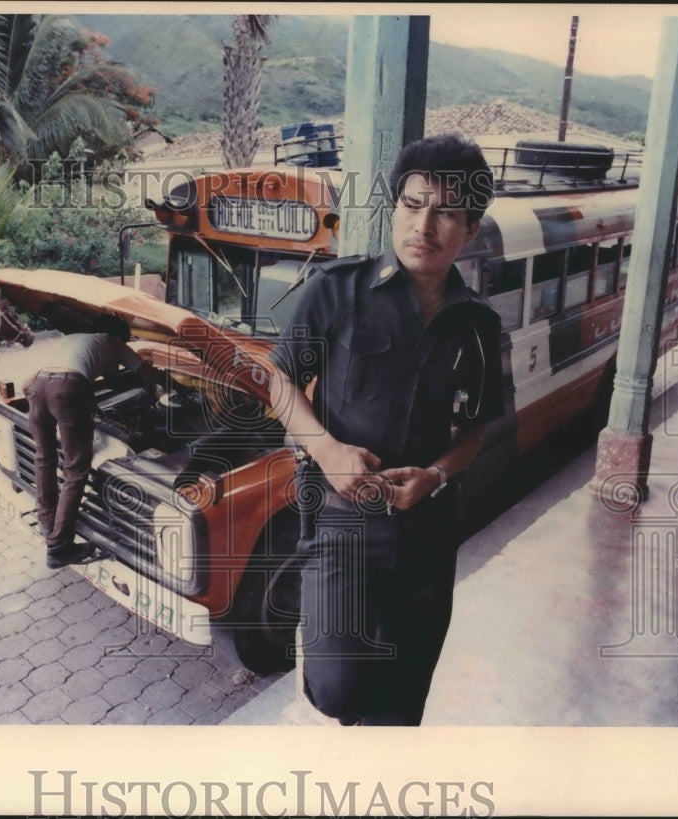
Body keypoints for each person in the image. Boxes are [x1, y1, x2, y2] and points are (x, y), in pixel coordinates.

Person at [268, 133, 505, 726]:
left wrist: (436, 475)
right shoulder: (337, 291)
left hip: (427, 529)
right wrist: (326, 450)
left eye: (447, 212)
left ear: (470, 230)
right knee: (338, 688)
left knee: (403, 698)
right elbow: (278, 383)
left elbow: (475, 428)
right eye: (413, 204)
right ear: (395, 207)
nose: (424, 226)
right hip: (344, 522)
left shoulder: (478, 325)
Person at [24, 313, 160, 569]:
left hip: (36, 387)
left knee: (44, 458)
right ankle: (59, 547)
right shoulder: (115, 342)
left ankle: (47, 523)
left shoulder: (75, 339)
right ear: (122, 335)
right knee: (76, 469)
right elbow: (145, 371)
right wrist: (174, 384)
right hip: (67, 389)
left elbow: (27, 383)